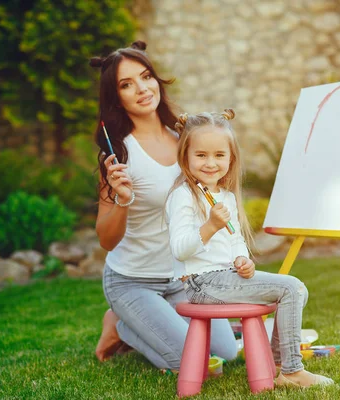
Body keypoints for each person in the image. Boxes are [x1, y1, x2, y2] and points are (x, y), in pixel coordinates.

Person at [90, 41, 237, 371]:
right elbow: (106, 241)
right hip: (132, 280)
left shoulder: (185, 138)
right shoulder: (118, 156)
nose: (142, 89)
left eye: (146, 77)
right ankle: (122, 323)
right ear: (116, 97)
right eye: (126, 85)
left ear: (157, 80)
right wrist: (122, 200)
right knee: (199, 365)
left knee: (227, 353)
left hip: (180, 278)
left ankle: (145, 322)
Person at [165, 109, 335, 388]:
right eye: (201, 155)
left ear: (231, 158)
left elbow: (235, 240)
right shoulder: (183, 196)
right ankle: (292, 371)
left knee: (298, 289)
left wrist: (243, 259)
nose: (210, 163)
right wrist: (209, 226)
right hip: (201, 283)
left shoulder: (226, 197)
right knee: (291, 287)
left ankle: (280, 363)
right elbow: (180, 249)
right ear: (185, 156)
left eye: (219, 155)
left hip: (226, 277)